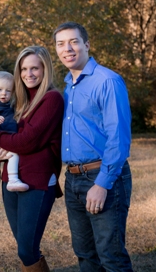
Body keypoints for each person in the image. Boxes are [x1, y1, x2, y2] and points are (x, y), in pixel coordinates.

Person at [53, 21, 133, 271]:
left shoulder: (107, 81)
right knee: (85, 255)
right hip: (73, 179)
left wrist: (102, 184)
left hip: (101, 177)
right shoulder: (67, 86)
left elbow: (118, 139)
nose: (68, 49)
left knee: (111, 256)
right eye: (61, 44)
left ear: (86, 45)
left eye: (74, 41)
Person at [0, 46, 64, 272]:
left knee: (26, 249)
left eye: (34, 68)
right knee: (23, 246)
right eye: (23, 69)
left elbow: (27, 141)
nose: (28, 74)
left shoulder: (52, 99)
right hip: (9, 180)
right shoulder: (15, 101)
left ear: (45, 69)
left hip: (37, 181)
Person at [0, 71, 28, 192]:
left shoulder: (10, 105)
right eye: (0, 90)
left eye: (8, 91)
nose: (4, 93)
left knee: (14, 156)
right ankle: (13, 180)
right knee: (13, 155)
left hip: (10, 137)